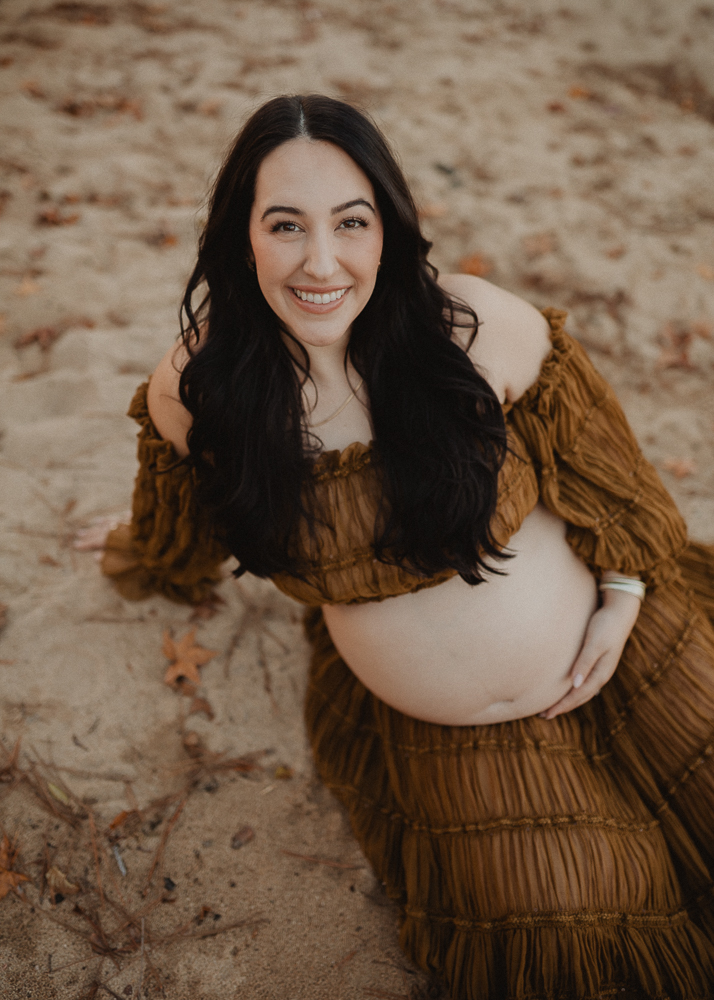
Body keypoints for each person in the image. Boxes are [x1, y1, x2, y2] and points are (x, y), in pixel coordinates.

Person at [92, 94, 714, 998]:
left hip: (627, 645)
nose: (321, 261)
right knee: (561, 917)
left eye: (352, 222)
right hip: (450, 736)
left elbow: (611, 477)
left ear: (388, 228)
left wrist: (623, 599)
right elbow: (175, 533)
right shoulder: (201, 392)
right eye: (285, 225)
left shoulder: (476, 327)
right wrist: (129, 544)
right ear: (242, 238)